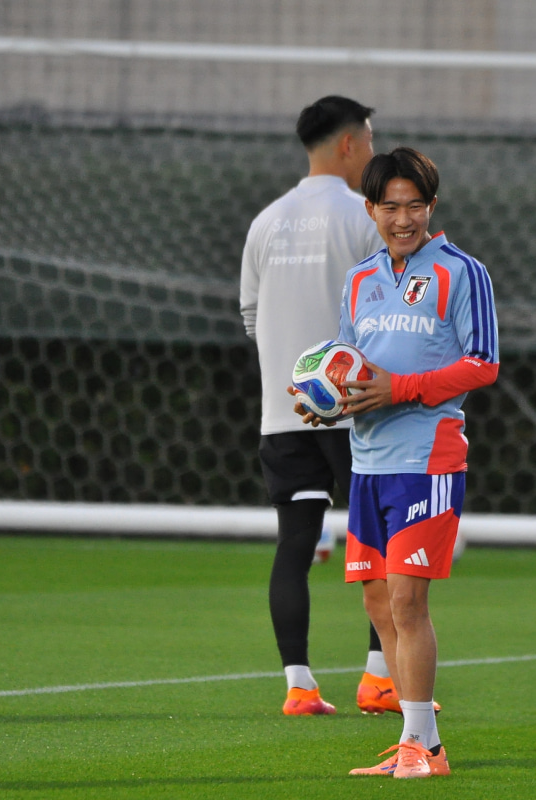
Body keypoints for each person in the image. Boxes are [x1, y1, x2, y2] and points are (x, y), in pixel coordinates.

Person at [295, 147, 499, 777]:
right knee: (380, 605)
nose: (402, 219)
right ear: (371, 210)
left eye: (414, 206)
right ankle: (418, 739)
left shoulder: (463, 272)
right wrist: (327, 403)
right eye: (390, 206)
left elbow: (483, 363)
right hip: (368, 463)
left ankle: (425, 750)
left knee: (408, 602)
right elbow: (349, 365)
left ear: (431, 207)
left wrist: (401, 389)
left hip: (428, 460)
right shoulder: (360, 280)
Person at [240, 95, 392, 717]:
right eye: (371, 140)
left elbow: (250, 317)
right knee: (383, 541)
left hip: (284, 412)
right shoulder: (363, 216)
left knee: (295, 543)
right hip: (356, 412)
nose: (374, 151)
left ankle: (299, 686)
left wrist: (297, 376)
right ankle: (378, 679)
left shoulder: (265, 221)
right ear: (349, 143)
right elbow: (389, 311)